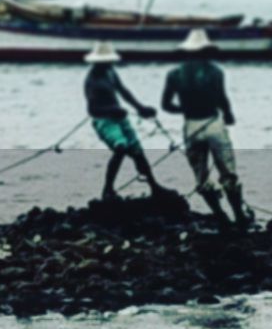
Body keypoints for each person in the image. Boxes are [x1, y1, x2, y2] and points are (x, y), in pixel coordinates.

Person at [161, 29, 249, 228]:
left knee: (201, 176)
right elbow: (222, 99)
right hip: (213, 124)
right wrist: (228, 115)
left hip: (191, 126)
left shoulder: (174, 75)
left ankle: (220, 215)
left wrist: (185, 108)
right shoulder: (215, 72)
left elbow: (166, 105)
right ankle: (239, 215)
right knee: (228, 172)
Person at [83, 42, 172, 201]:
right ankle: (108, 189)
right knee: (121, 147)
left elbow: (124, 92)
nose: (110, 63)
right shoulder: (92, 81)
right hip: (104, 121)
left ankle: (154, 186)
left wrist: (141, 108)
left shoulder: (110, 72)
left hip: (120, 118)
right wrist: (112, 111)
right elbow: (92, 110)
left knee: (138, 151)